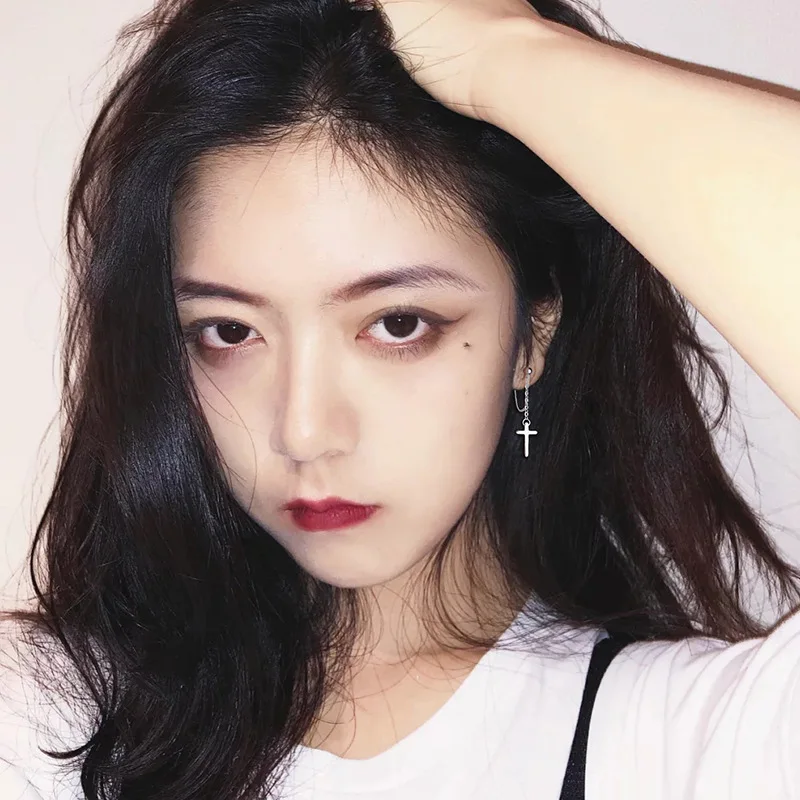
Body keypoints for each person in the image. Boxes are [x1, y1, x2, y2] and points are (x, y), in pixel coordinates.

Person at [1, 0, 799, 797]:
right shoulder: (48, 715)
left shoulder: (688, 743)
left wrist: (502, 55)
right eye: (230, 333)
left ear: (532, 334)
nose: (304, 431)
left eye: (397, 324)